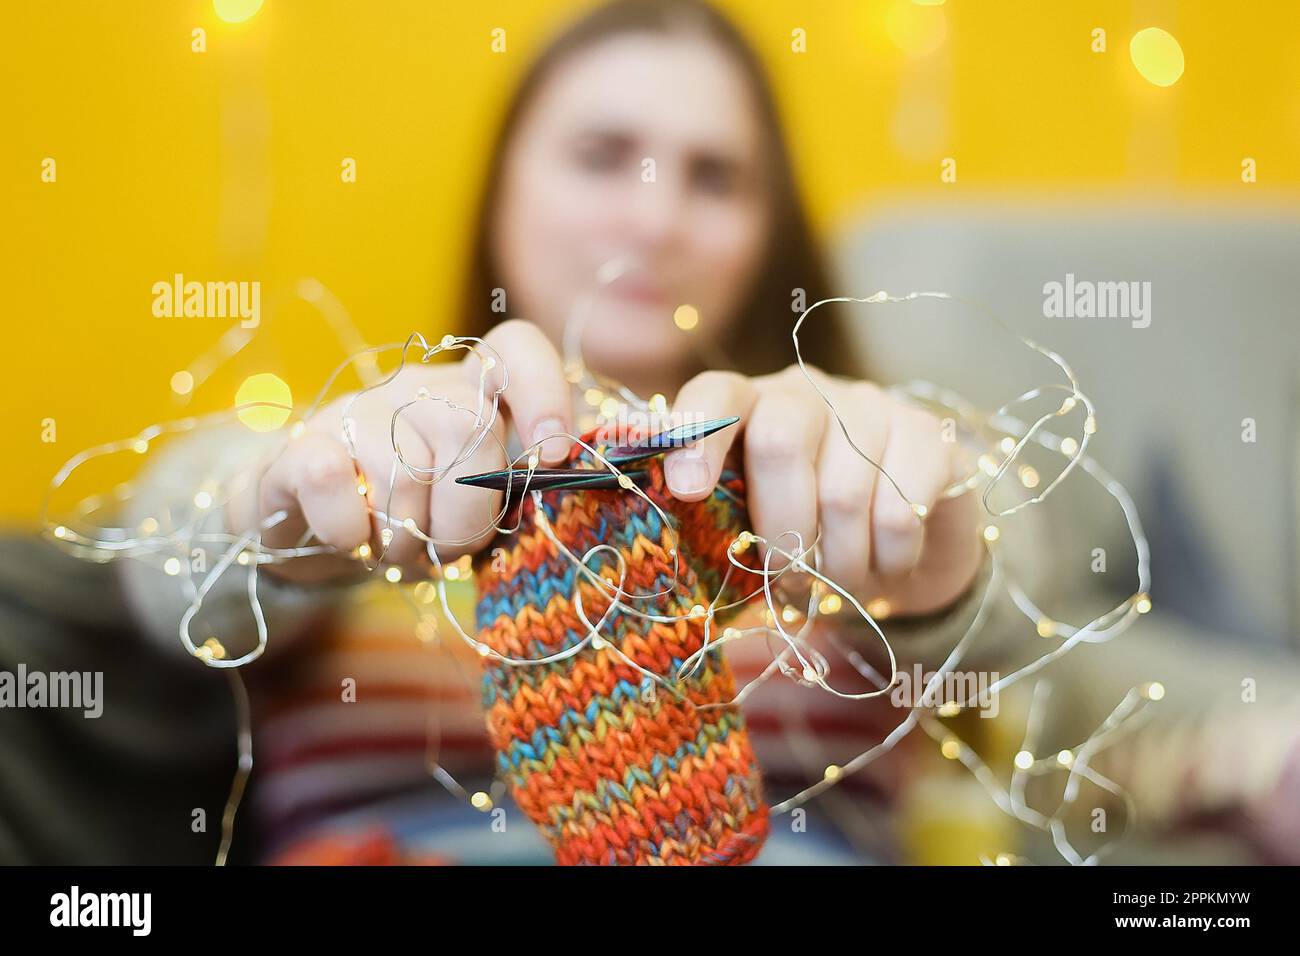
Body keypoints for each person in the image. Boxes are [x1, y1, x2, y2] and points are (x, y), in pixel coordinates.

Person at [8, 0, 1295, 865]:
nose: (650, 213)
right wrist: (274, 516)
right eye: (601, 151)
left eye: (712, 174)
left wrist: (939, 547)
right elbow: (154, 550)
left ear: (764, 230)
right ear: (505, 181)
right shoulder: (357, 450)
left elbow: (1054, 628)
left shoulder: (871, 452)